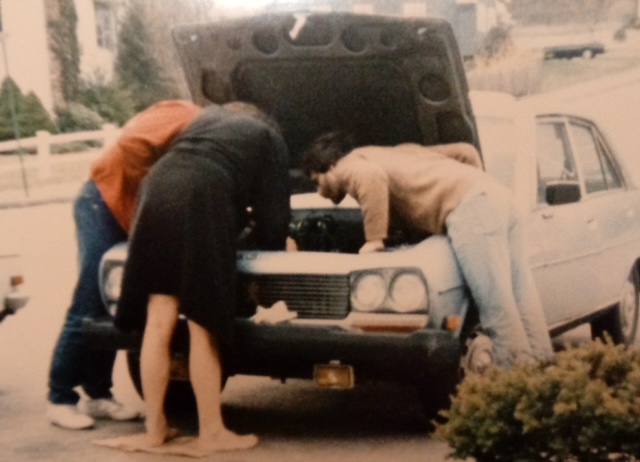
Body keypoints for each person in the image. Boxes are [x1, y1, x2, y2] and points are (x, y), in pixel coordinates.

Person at [109, 102, 290, 455]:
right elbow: (274, 216)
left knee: (158, 319)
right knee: (202, 320)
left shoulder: (206, 120)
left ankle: (155, 428)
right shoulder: (269, 136)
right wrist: (270, 246)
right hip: (202, 192)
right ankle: (211, 432)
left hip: (156, 186)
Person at [301, 131, 554, 368]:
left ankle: (517, 381)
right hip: (497, 195)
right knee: (521, 294)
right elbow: (465, 151)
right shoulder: (401, 151)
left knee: (495, 306)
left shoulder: (348, 166)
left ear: (330, 166)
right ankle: (543, 369)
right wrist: (477, 188)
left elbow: (371, 177)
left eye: (316, 181)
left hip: (472, 211)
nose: (319, 191)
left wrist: (374, 241)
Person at [46, 100, 203, 430]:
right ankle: (59, 398)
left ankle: (97, 393)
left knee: (115, 305)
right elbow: (130, 143)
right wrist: (155, 187)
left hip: (126, 210)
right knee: (90, 300)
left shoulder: (197, 125)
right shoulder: (186, 115)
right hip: (102, 203)